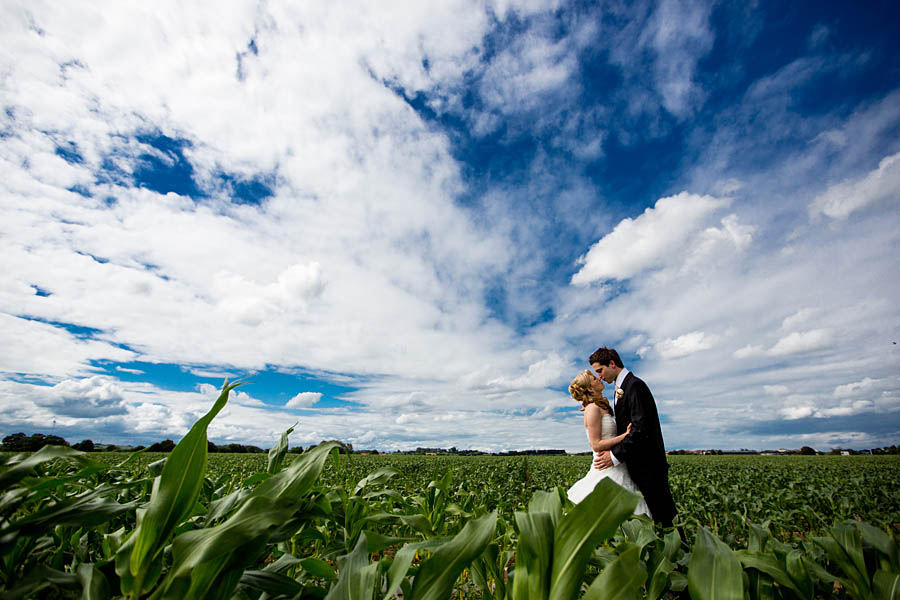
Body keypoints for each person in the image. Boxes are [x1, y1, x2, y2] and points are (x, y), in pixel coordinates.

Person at [590, 346, 678, 527]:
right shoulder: (620, 388)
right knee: (654, 517)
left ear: (612, 363)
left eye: (600, 370)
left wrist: (614, 456)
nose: (599, 376)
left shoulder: (634, 385)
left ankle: (681, 553)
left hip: (649, 465)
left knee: (664, 516)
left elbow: (640, 429)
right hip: (636, 465)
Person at [566, 369, 651, 517]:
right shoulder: (592, 409)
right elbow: (596, 444)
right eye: (594, 378)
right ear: (590, 388)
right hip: (606, 465)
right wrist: (625, 436)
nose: (599, 378)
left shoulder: (601, 406)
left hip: (618, 464)